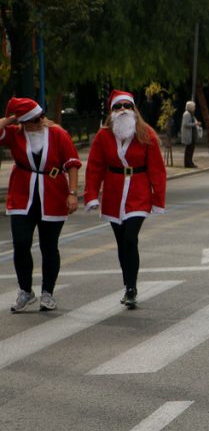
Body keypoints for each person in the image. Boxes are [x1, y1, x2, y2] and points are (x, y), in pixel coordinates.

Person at [83, 90, 167, 308]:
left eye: (126, 106)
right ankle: (127, 284)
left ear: (133, 109)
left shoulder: (146, 133)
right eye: (117, 107)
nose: (122, 111)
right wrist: (91, 195)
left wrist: (158, 199)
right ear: (111, 112)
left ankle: (132, 287)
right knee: (122, 243)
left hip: (138, 191)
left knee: (130, 238)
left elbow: (157, 169)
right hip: (113, 192)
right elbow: (94, 167)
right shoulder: (103, 136)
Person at [1, 98, 81, 312]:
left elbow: (72, 163)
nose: (41, 121)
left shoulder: (58, 134)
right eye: (35, 119)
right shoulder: (15, 134)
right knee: (21, 243)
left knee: (48, 246)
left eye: (41, 116)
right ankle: (26, 291)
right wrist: (10, 119)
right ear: (24, 121)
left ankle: (48, 293)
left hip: (53, 195)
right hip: (21, 196)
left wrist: (73, 193)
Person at [180, 101, 201, 168]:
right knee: (189, 150)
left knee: (191, 149)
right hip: (188, 135)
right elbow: (185, 124)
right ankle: (188, 163)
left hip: (191, 134)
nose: (195, 108)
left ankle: (190, 162)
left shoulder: (190, 114)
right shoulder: (187, 114)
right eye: (194, 106)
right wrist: (195, 124)